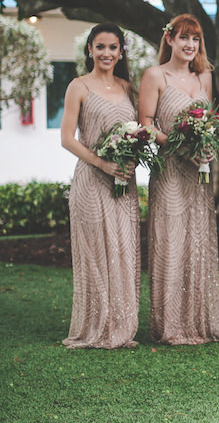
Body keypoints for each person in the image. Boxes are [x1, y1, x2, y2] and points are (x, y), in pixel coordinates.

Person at [137, 14, 219, 345]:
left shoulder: (204, 77)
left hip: (199, 177)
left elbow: (211, 121)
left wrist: (207, 146)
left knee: (197, 242)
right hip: (170, 172)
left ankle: (199, 322)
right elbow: (146, 124)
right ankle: (171, 326)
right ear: (169, 39)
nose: (190, 45)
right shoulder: (154, 75)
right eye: (184, 38)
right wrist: (180, 147)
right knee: (171, 243)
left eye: (195, 39)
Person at [60, 23, 140, 348]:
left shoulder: (127, 87)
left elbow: (139, 130)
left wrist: (133, 156)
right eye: (100, 47)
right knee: (95, 253)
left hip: (124, 183)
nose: (107, 53)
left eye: (113, 47)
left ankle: (121, 328)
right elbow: (66, 139)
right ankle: (94, 328)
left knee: (122, 252)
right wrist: (102, 163)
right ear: (90, 49)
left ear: (121, 52)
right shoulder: (78, 86)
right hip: (92, 181)